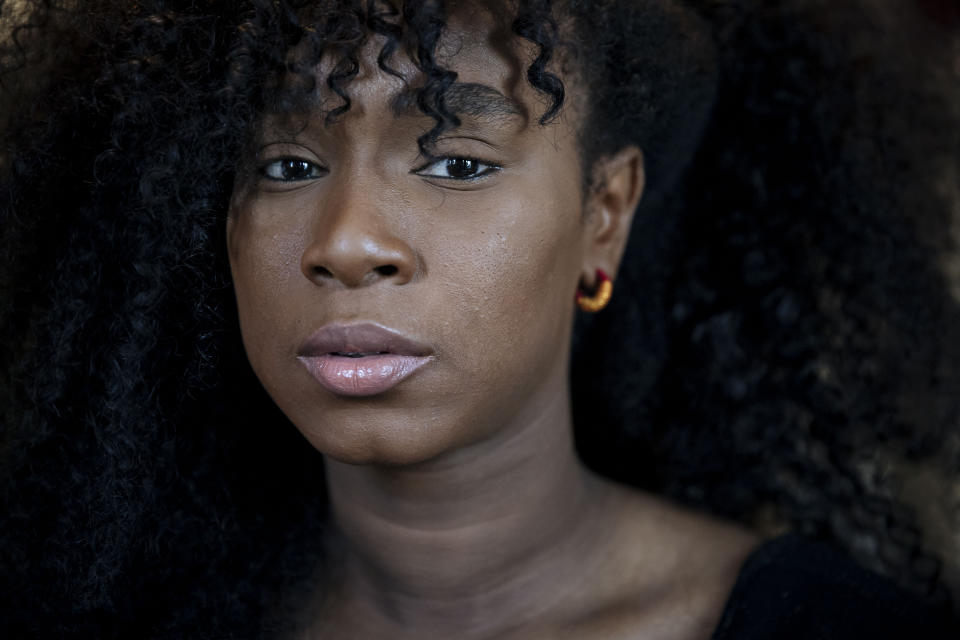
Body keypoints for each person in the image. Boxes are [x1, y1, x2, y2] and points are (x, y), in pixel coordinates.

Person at [1, 0, 958, 637]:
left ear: (604, 215)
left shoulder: (830, 627)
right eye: (287, 165)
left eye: (457, 161)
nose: (347, 243)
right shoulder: (121, 611)